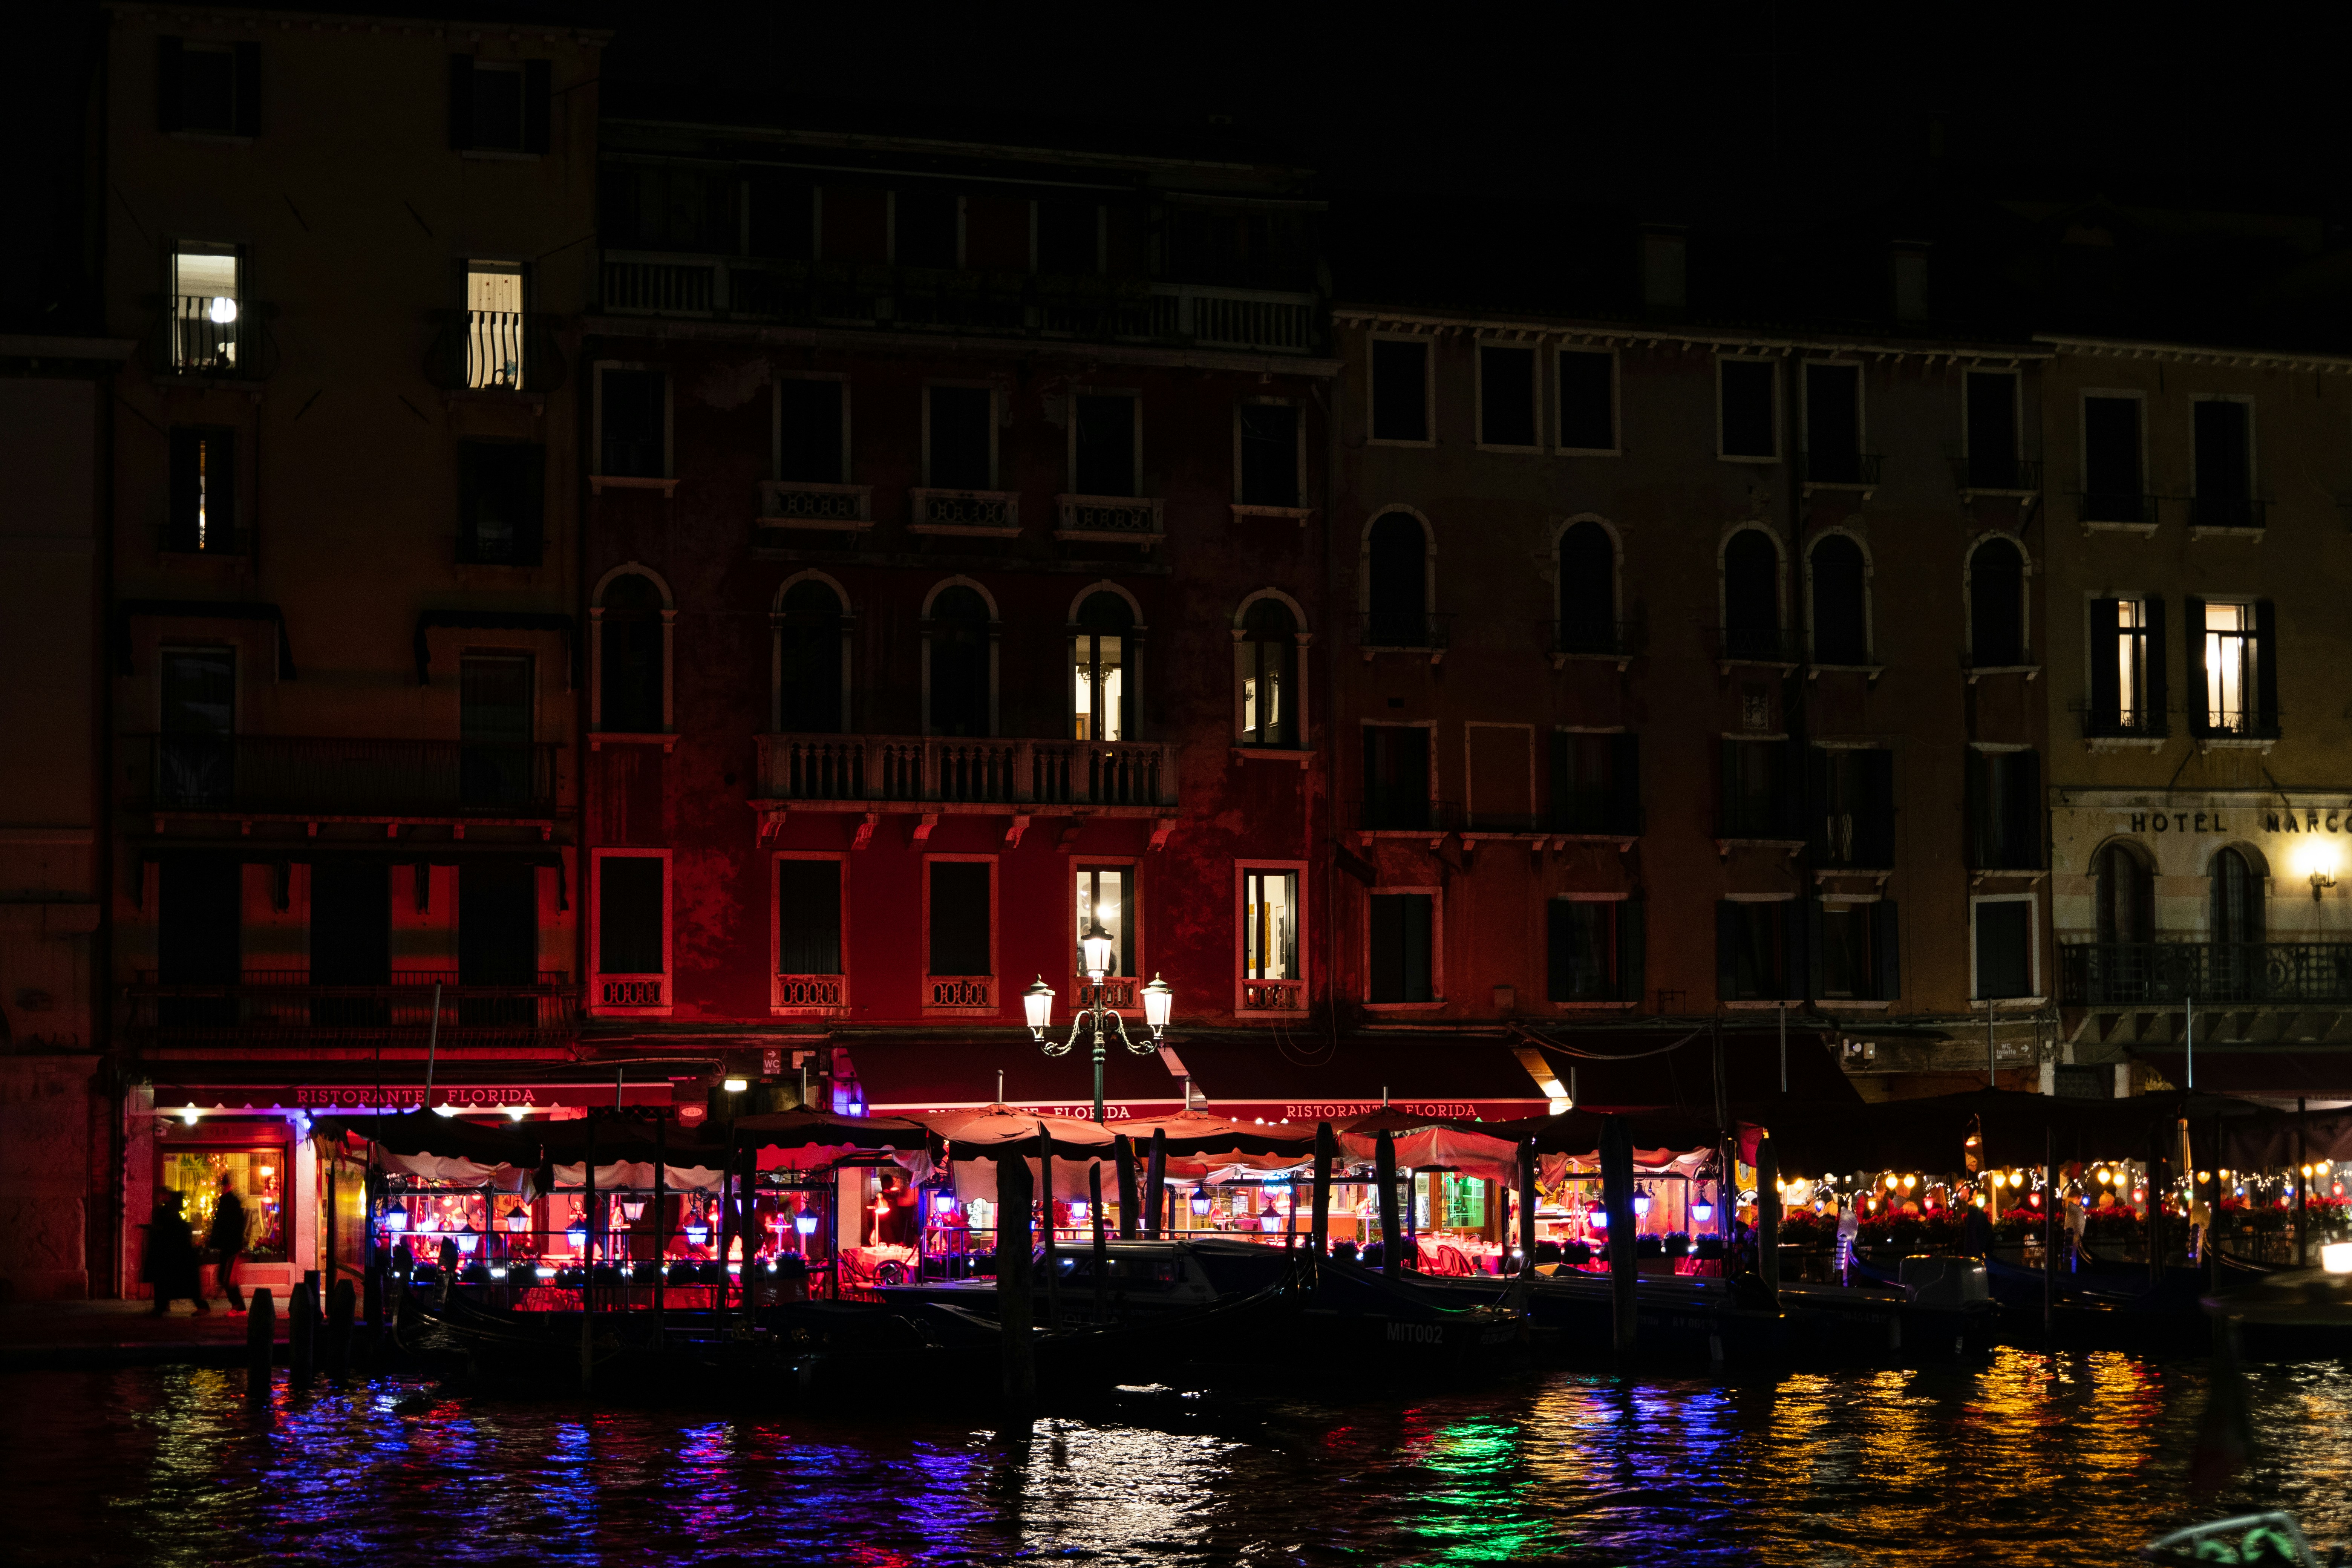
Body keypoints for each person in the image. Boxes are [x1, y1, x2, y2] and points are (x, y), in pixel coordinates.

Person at [142, 1191, 207, 1316]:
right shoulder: (171, 1215)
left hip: (173, 1255)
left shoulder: (169, 1215)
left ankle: (162, 1306)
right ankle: (163, 1306)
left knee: (169, 1282)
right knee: (181, 1282)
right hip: (176, 1255)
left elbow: (170, 1231)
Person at [208, 1172, 249, 1312]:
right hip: (229, 1246)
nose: (224, 1187)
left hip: (231, 1246)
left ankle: (239, 1306)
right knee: (225, 1277)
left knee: (227, 1278)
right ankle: (238, 1306)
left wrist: (217, 1240)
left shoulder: (230, 1202)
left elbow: (227, 1225)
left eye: (224, 1185)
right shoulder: (229, 1201)